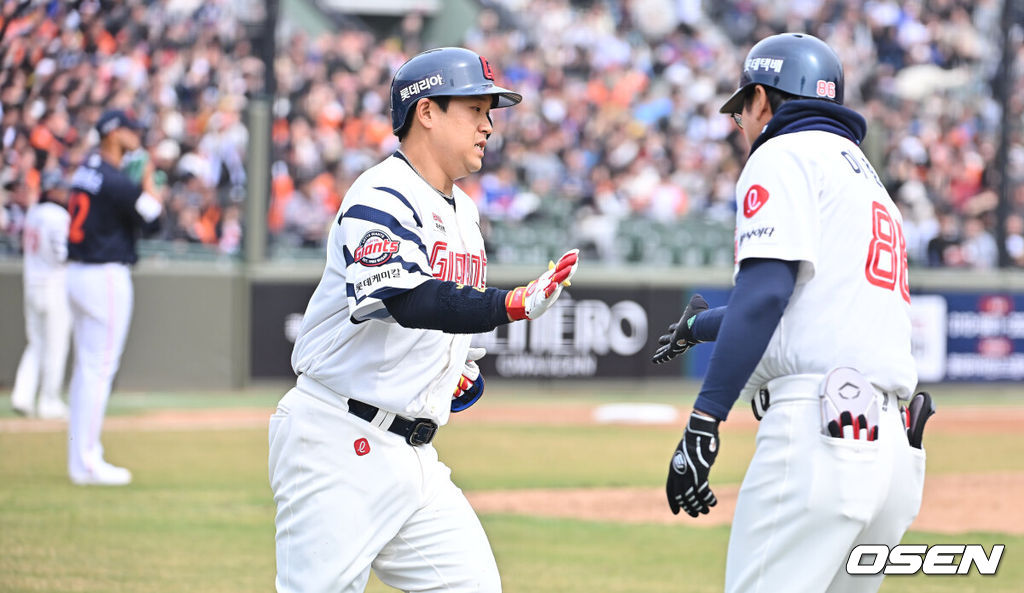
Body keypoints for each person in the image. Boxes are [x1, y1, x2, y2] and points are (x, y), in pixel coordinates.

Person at [267, 47, 580, 593]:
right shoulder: (381, 193)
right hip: (339, 441)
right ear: (427, 111)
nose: (488, 125)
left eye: (491, 112)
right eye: (475, 109)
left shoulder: (465, 211)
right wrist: (510, 304)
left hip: (413, 455)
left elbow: (440, 323)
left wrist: (452, 372)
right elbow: (406, 298)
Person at [651, 33, 933, 593]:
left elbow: (765, 296)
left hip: (820, 435)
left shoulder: (782, 154)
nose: (742, 125)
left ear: (762, 98)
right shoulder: (870, 182)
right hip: (894, 456)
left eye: (742, 110)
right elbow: (798, 309)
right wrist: (699, 326)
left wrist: (705, 421)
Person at [65, 109, 164, 486]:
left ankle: (81, 458)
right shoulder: (114, 179)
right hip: (103, 273)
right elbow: (154, 221)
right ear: (111, 134)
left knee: (85, 371)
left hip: (77, 273)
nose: (136, 134)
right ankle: (87, 461)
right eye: (129, 129)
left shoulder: (86, 170)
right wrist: (151, 182)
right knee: (97, 370)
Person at [10, 169, 72, 419]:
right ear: (54, 190)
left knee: (36, 344)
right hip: (53, 285)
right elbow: (62, 253)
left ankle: (22, 396)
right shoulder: (58, 215)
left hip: (32, 285)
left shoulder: (34, 213)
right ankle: (49, 400)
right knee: (56, 345)